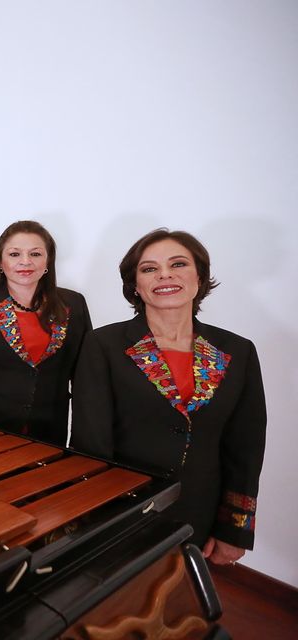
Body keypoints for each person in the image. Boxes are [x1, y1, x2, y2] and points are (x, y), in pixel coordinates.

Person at [72, 229, 266, 564]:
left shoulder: (238, 350)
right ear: (135, 285)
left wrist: (235, 529)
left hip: (199, 513)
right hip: (122, 515)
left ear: (199, 277)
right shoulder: (102, 345)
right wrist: (98, 523)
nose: (165, 274)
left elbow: (245, 449)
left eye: (178, 264)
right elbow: (91, 445)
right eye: (149, 268)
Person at [0, 221, 91, 445]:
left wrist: (85, 431)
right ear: (0, 262)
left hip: (50, 427)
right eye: (14, 254)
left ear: (48, 261)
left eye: (35, 254)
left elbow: (84, 374)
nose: (25, 261)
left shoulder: (73, 303)